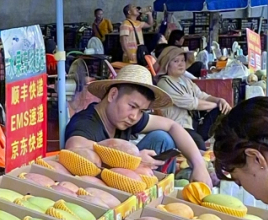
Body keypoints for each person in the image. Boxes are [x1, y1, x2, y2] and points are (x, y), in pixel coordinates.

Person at [63, 64, 212, 185]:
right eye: (132, 106)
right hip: (94, 188)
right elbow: (74, 147)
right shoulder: (86, 123)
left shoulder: (125, 117)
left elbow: (172, 126)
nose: (135, 116)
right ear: (113, 95)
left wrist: (199, 165)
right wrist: (132, 160)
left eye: (141, 110)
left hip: (123, 179)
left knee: (162, 137)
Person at [155, 46, 229, 140]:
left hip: (193, 124)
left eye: (182, 60)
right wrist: (217, 105)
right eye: (176, 61)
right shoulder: (165, 83)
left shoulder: (185, 80)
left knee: (225, 113)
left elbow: (202, 96)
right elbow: (191, 103)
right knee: (199, 148)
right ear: (167, 64)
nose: (181, 64)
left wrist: (220, 100)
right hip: (178, 127)